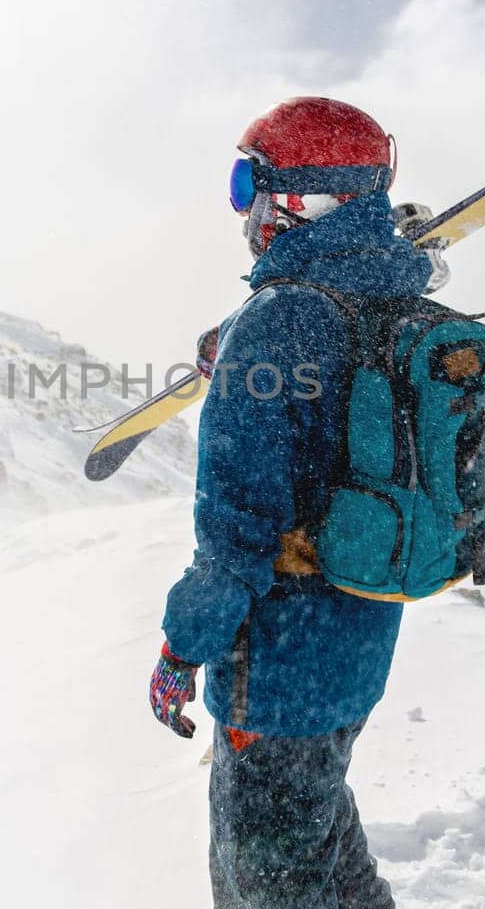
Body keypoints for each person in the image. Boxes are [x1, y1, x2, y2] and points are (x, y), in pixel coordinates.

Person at [148, 97, 440, 909]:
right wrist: (244, 342)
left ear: (299, 201)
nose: (244, 210)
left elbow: (235, 534)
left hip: (276, 673)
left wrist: (181, 650)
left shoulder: (280, 327)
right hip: (356, 647)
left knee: (267, 886)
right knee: (325, 844)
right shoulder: (395, 299)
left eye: (251, 184)